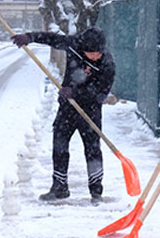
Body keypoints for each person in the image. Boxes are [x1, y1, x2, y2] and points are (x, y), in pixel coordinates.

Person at [13, 27, 115, 205]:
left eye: (98, 53)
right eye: (92, 53)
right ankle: (60, 187)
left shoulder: (107, 63)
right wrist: (29, 37)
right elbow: (52, 38)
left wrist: (75, 92)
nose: (95, 57)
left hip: (90, 111)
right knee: (59, 146)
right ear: (84, 48)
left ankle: (96, 190)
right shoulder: (74, 45)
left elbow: (100, 93)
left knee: (92, 150)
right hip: (67, 109)